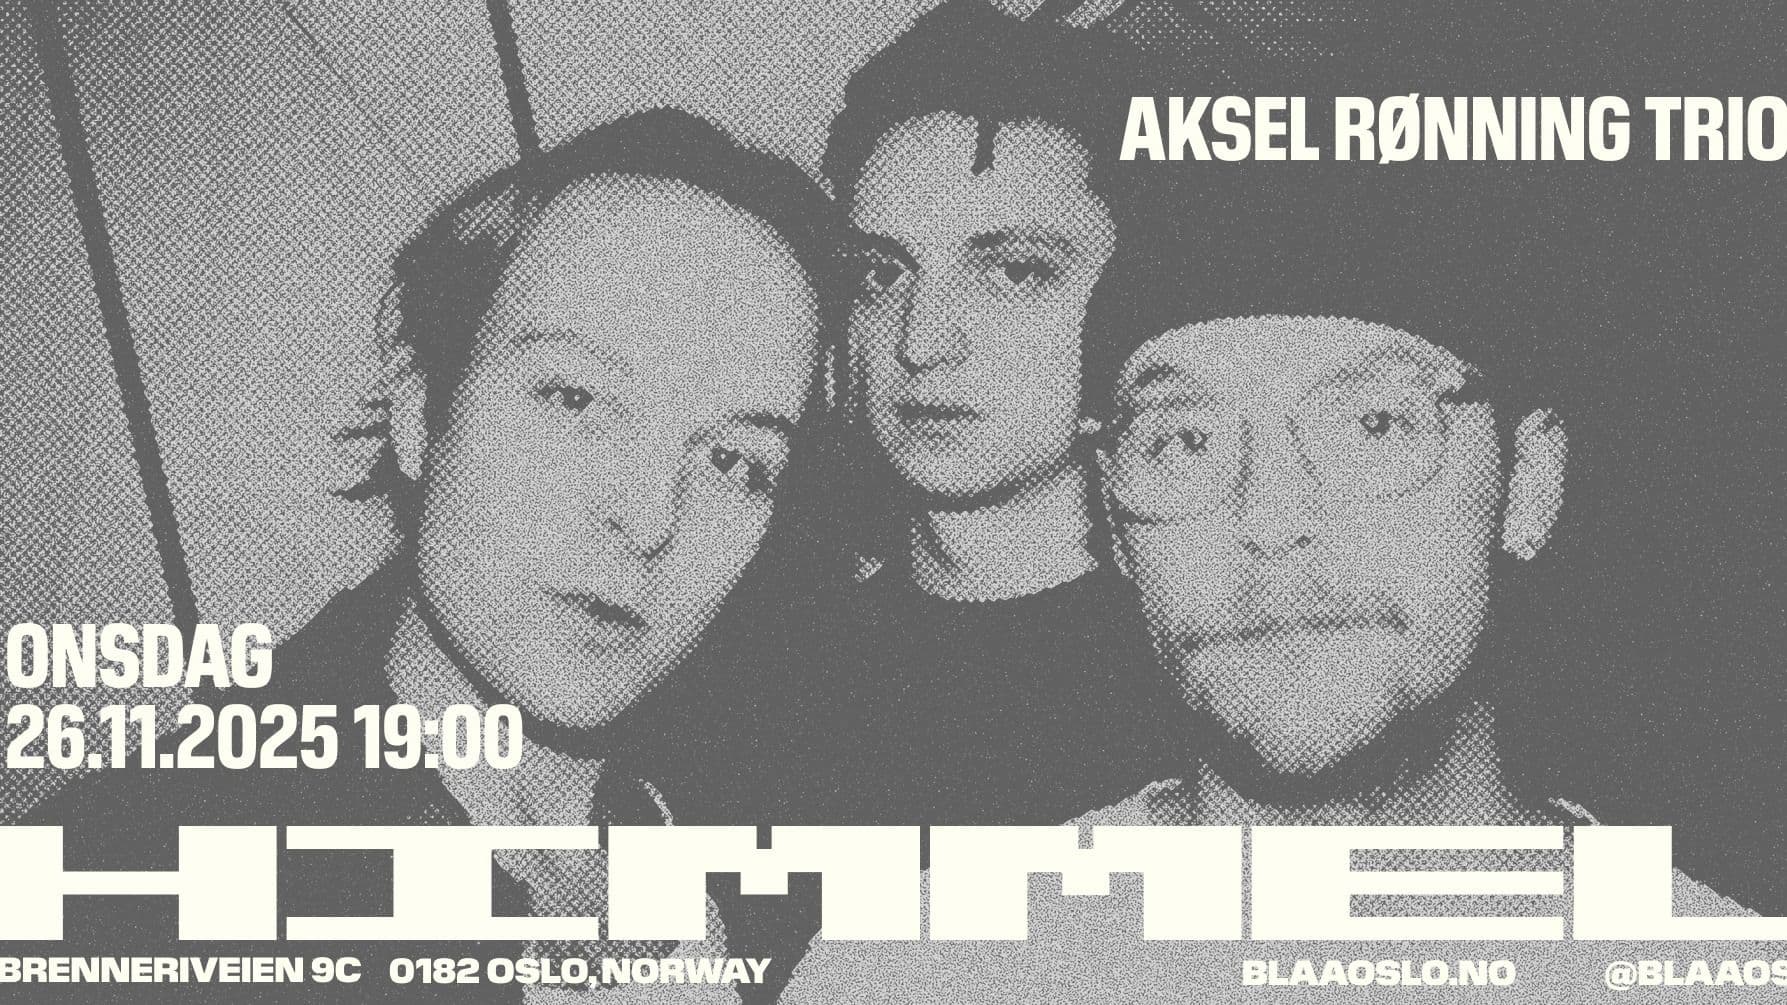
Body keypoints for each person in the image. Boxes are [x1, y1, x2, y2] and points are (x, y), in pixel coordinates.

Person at [25, 107, 838, 1004]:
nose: (648, 518)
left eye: (732, 460)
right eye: (574, 398)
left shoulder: (767, 823)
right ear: (421, 409)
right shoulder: (128, 902)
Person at [779, 312, 1766, 1002]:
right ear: (1113, 520)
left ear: (1528, 483)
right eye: (1184, 441)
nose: (1268, 515)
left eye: (1373, 424)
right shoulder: (916, 974)